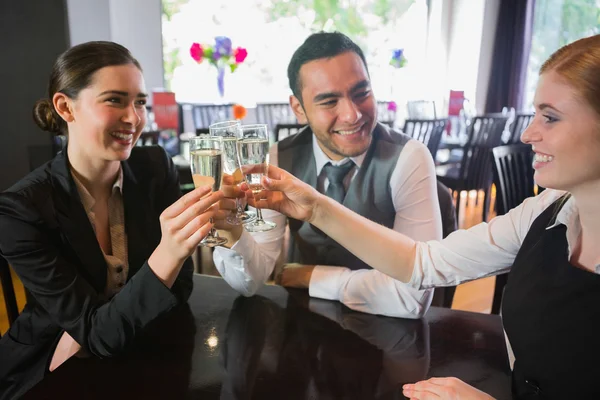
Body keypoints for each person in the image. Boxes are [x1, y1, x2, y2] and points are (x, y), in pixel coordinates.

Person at [248, 34, 600, 399]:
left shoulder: (408, 156)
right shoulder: (546, 211)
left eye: (550, 117)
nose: (528, 134)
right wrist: (316, 208)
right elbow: (422, 262)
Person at [0, 41, 222, 399]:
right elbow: (98, 334)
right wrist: (169, 252)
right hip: (51, 358)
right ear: (65, 106)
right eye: (115, 100)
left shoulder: (153, 167)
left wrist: (105, 325)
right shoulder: (21, 210)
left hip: (140, 341)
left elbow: (180, 288)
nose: (134, 118)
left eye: (140, 102)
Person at [213, 32, 447, 319]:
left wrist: (313, 277)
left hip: (388, 334)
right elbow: (251, 280)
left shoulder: (409, 157)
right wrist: (230, 230)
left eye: (362, 93)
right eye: (329, 101)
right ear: (298, 108)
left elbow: (413, 297)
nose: (352, 115)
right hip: (303, 326)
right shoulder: (279, 158)